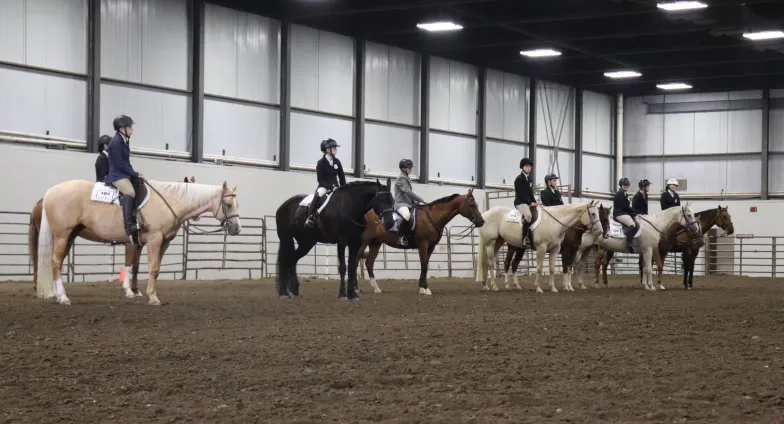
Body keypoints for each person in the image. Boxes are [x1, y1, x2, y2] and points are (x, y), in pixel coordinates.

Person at [104, 115, 145, 244]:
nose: (132, 130)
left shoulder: (124, 140)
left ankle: (135, 216)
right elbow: (120, 164)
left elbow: (126, 162)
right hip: (116, 175)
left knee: (139, 184)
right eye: (130, 127)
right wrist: (133, 174)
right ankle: (128, 227)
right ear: (122, 129)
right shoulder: (116, 142)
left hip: (123, 173)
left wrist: (135, 173)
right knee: (130, 192)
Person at [305, 138, 346, 228]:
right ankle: (310, 217)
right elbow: (320, 180)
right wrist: (331, 187)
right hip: (324, 186)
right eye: (334, 148)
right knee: (317, 195)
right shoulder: (321, 163)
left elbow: (342, 177)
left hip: (337, 187)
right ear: (328, 150)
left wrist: (344, 188)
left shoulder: (337, 162)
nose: (336, 150)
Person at [393, 158, 426, 247]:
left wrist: (416, 202)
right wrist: (420, 199)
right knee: (407, 216)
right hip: (401, 204)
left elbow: (408, 195)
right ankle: (400, 237)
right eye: (409, 168)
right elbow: (408, 192)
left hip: (408, 203)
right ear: (404, 169)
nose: (411, 169)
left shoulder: (406, 177)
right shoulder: (401, 178)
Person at [514, 158, 538, 248]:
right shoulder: (519, 179)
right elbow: (521, 194)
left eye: (530, 166)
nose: (529, 168)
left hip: (528, 202)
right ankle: (524, 238)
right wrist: (530, 203)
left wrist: (535, 202)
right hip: (520, 202)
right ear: (522, 167)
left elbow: (530, 193)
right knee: (528, 215)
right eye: (526, 166)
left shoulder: (528, 179)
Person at [613, 177, 637, 253]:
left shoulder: (625, 194)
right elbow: (623, 206)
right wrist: (633, 211)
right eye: (624, 185)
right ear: (621, 185)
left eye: (627, 185)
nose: (626, 186)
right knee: (632, 224)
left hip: (624, 213)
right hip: (619, 213)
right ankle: (629, 243)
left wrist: (632, 212)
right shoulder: (620, 194)